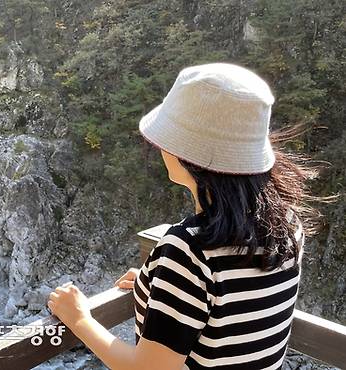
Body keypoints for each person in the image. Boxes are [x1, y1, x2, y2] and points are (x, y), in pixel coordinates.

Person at [47, 63, 323, 370]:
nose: (159, 146)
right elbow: (231, 305)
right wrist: (156, 285)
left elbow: (148, 369)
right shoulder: (287, 224)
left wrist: (79, 318)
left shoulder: (187, 252)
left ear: (190, 155)